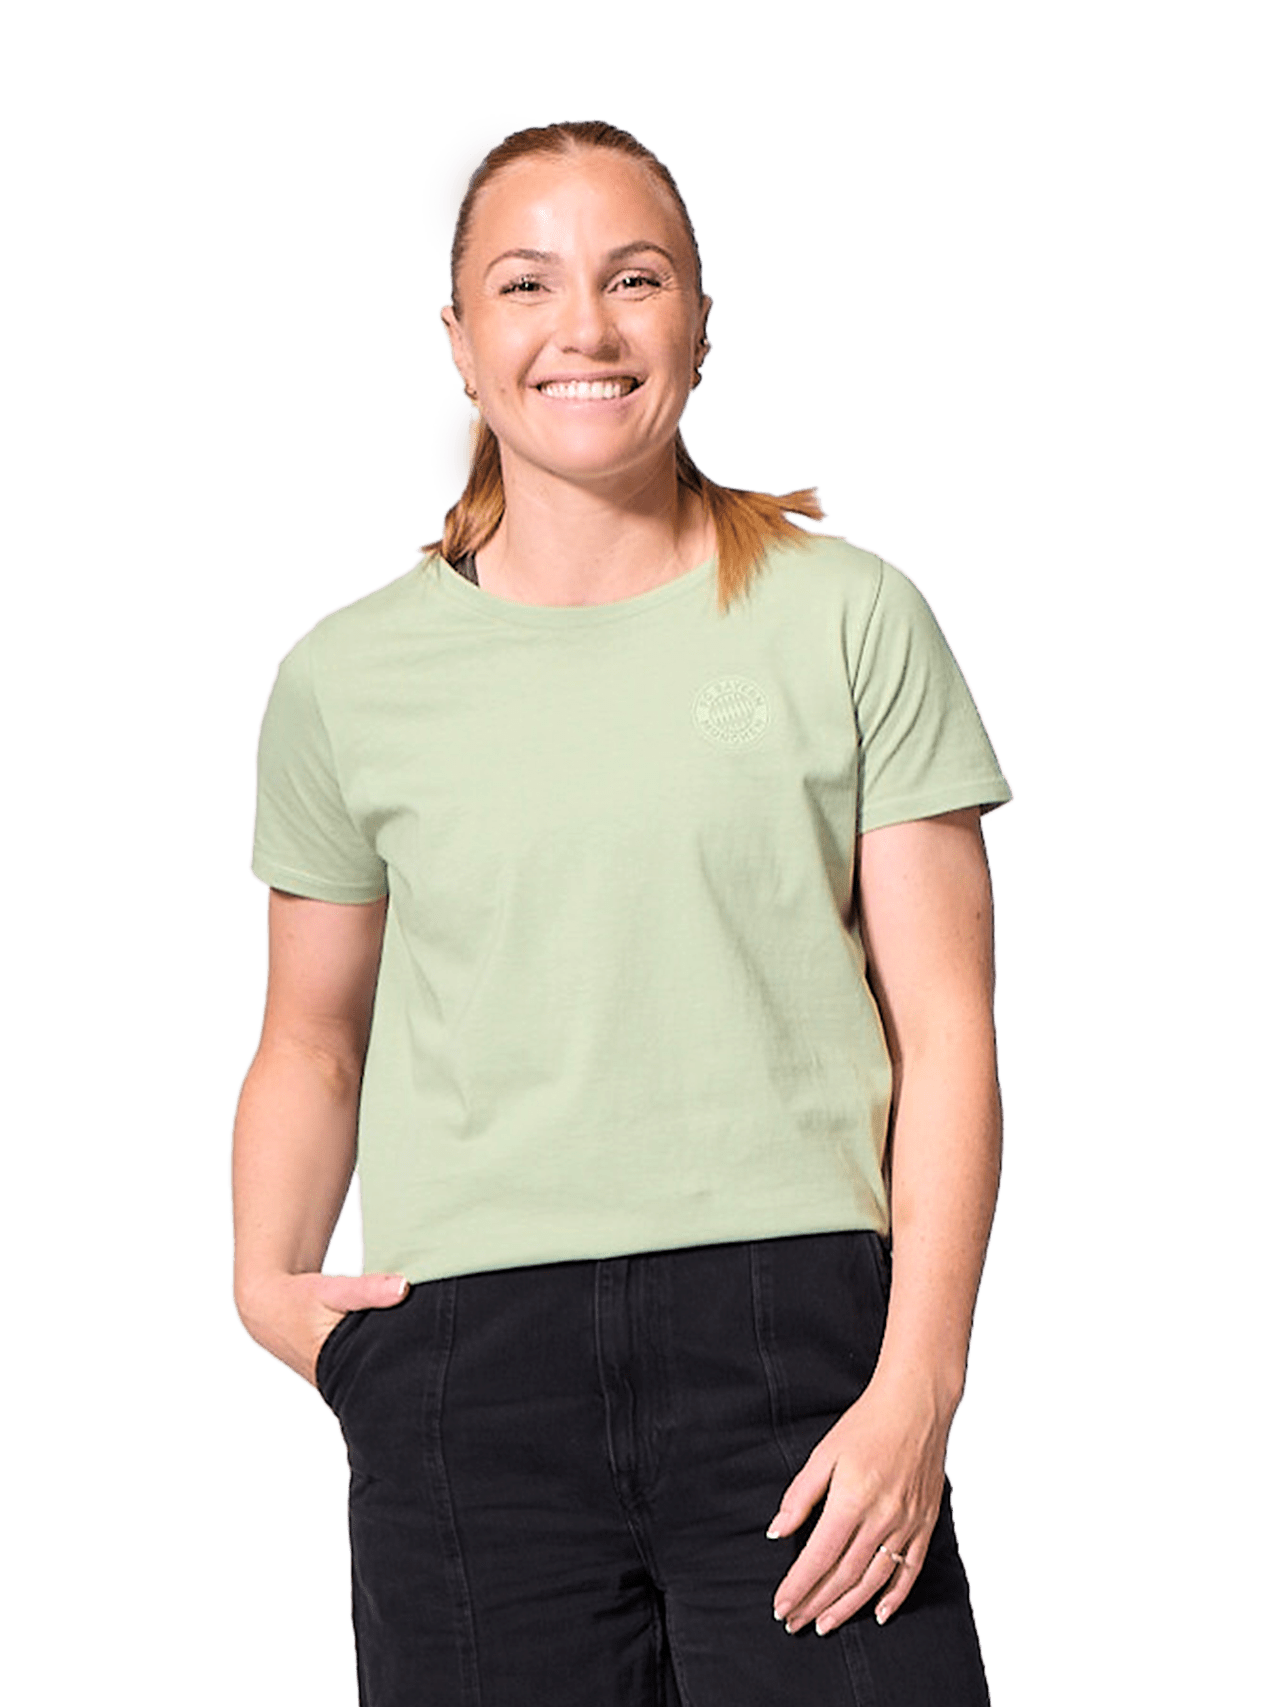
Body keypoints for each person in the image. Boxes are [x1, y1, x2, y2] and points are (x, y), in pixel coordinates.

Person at [229, 117, 1015, 1707]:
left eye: (634, 278)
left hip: (796, 1342)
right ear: (460, 339)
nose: (582, 327)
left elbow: (948, 1030)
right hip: (465, 1368)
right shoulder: (341, 675)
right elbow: (310, 1038)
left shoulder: (851, 615)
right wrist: (266, 1282)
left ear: (702, 325)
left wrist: (918, 1385)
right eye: (525, 284)